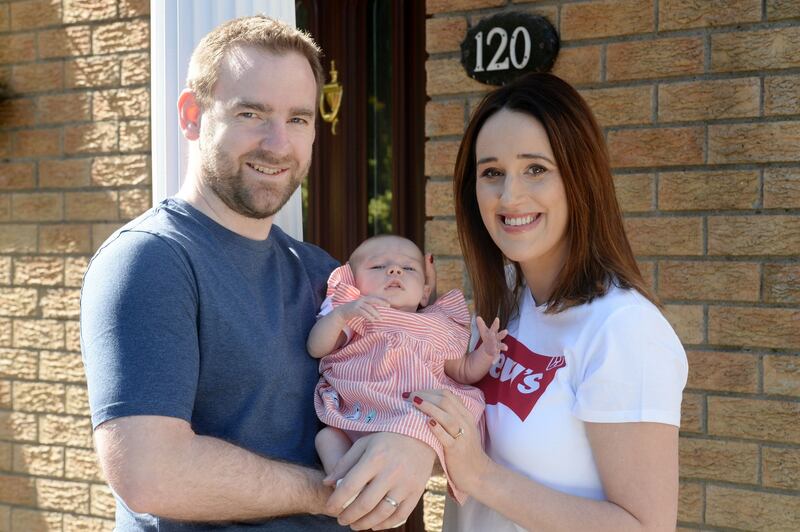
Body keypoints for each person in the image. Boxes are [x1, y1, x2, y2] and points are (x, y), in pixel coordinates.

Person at [80, 15, 436, 531]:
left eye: (298, 119)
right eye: (251, 113)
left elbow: (404, 376)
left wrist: (415, 443)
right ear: (191, 116)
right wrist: (328, 492)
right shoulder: (151, 260)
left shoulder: (324, 272)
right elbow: (149, 471)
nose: (277, 143)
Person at [408, 73, 689, 531]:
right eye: (492, 172)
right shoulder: (511, 297)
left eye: (535, 168)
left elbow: (645, 527)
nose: (509, 196)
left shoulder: (624, 330)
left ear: (579, 178)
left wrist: (478, 474)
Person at [308, 235, 507, 501]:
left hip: (410, 417)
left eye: (409, 268)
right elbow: (316, 347)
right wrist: (341, 314)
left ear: (425, 291)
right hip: (359, 409)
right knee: (327, 438)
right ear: (353, 284)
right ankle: (346, 487)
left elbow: (462, 372)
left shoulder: (438, 325)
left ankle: (368, 489)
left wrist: (486, 353)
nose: (394, 270)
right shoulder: (357, 317)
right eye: (378, 266)